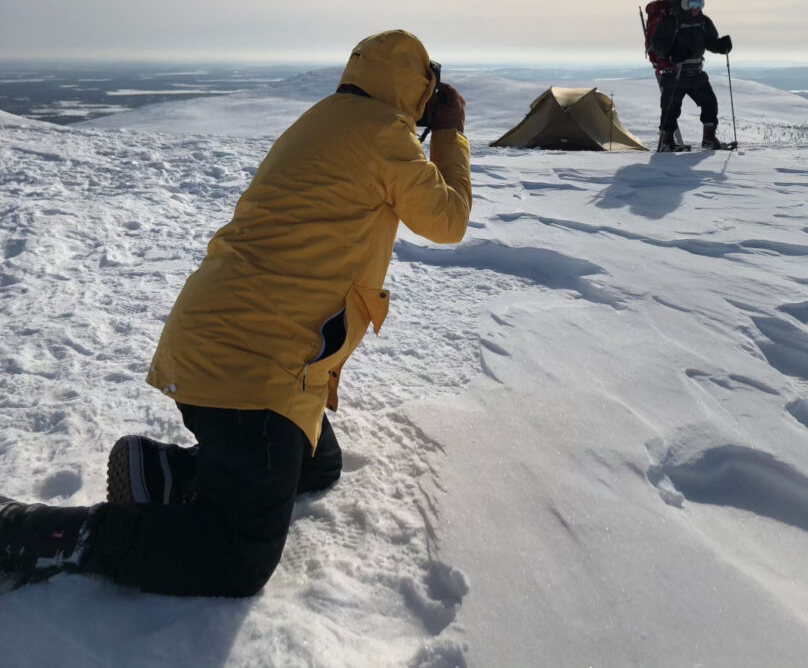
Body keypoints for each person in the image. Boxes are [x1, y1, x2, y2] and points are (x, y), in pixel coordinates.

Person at [0, 30, 471, 597]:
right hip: (252, 368)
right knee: (236, 555)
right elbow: (449, 220)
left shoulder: (325, 118)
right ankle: (34, 534)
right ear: (417, 86)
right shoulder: (383, 135)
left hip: (235, 346)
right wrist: (449, 133)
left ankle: (166, 474)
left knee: (317, 467)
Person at [646, 0, 733, 151]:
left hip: (695, 74)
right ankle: (667, 142)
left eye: (699, 4)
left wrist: (722, 46)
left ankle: (708, 139)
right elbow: (657, 44)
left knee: (710, 103)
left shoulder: (703, 22)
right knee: (670, 109)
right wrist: (671, 55)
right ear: (686, 3)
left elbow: (710, 42)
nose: (696, 8)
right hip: (674, 73)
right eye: (693, 4)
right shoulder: (671, 21)